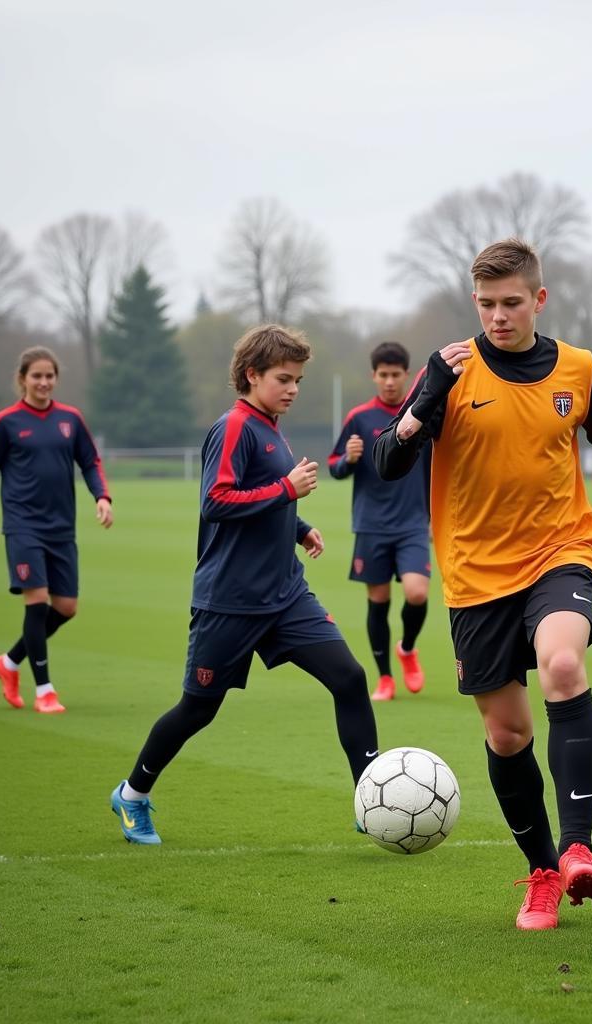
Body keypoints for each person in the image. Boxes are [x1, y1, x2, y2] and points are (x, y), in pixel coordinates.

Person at [374, 238, 592, 930]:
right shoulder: (450, 372)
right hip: (474, 573)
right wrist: (422, 402)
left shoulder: (577, 368)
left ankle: (578, 847)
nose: (499, 316)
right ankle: (541, 874)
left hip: (560, 548)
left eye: (512, 303)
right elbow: (386, 461)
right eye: (487, 304)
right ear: (475, 302)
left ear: (539, 298)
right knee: (507, 736)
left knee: (563, 663)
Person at [110, 325, 379, 845]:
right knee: (198, 709)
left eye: (298, 379)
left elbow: (264, 498)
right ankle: (133, 793)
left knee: (348, 678)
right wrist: (286, 489)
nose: (294, 389)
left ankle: (372, 798)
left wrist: (299, 529)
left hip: (285, 595)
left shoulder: (271, 427)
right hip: (230, 601)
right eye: (283, 378)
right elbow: (216, 501)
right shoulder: (234, 426)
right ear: (251, 375)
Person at [0, 346, 113, 714]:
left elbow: (90, 461)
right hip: (22, 527)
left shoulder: (70, 419)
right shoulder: (6, 422)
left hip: (61, 528)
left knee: (66, 607)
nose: (44, 382)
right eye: (37, 376)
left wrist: (102, 496)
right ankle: (45, 691)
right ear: (22, 379)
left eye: (50, 376)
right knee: (36, 604)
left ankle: (9, 663)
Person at [329, 341, 431, 702]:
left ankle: (407, 648)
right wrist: (349, 460)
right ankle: (385, 677)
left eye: (396, 375)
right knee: (380, 599)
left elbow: (435, 466)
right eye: (383, 375)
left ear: (407, 374)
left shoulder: (420, 413)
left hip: (414, 523)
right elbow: (334, 466)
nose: (389, 381)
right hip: (371, 524)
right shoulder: (359, 417)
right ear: (374, 376)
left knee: (418, 593)